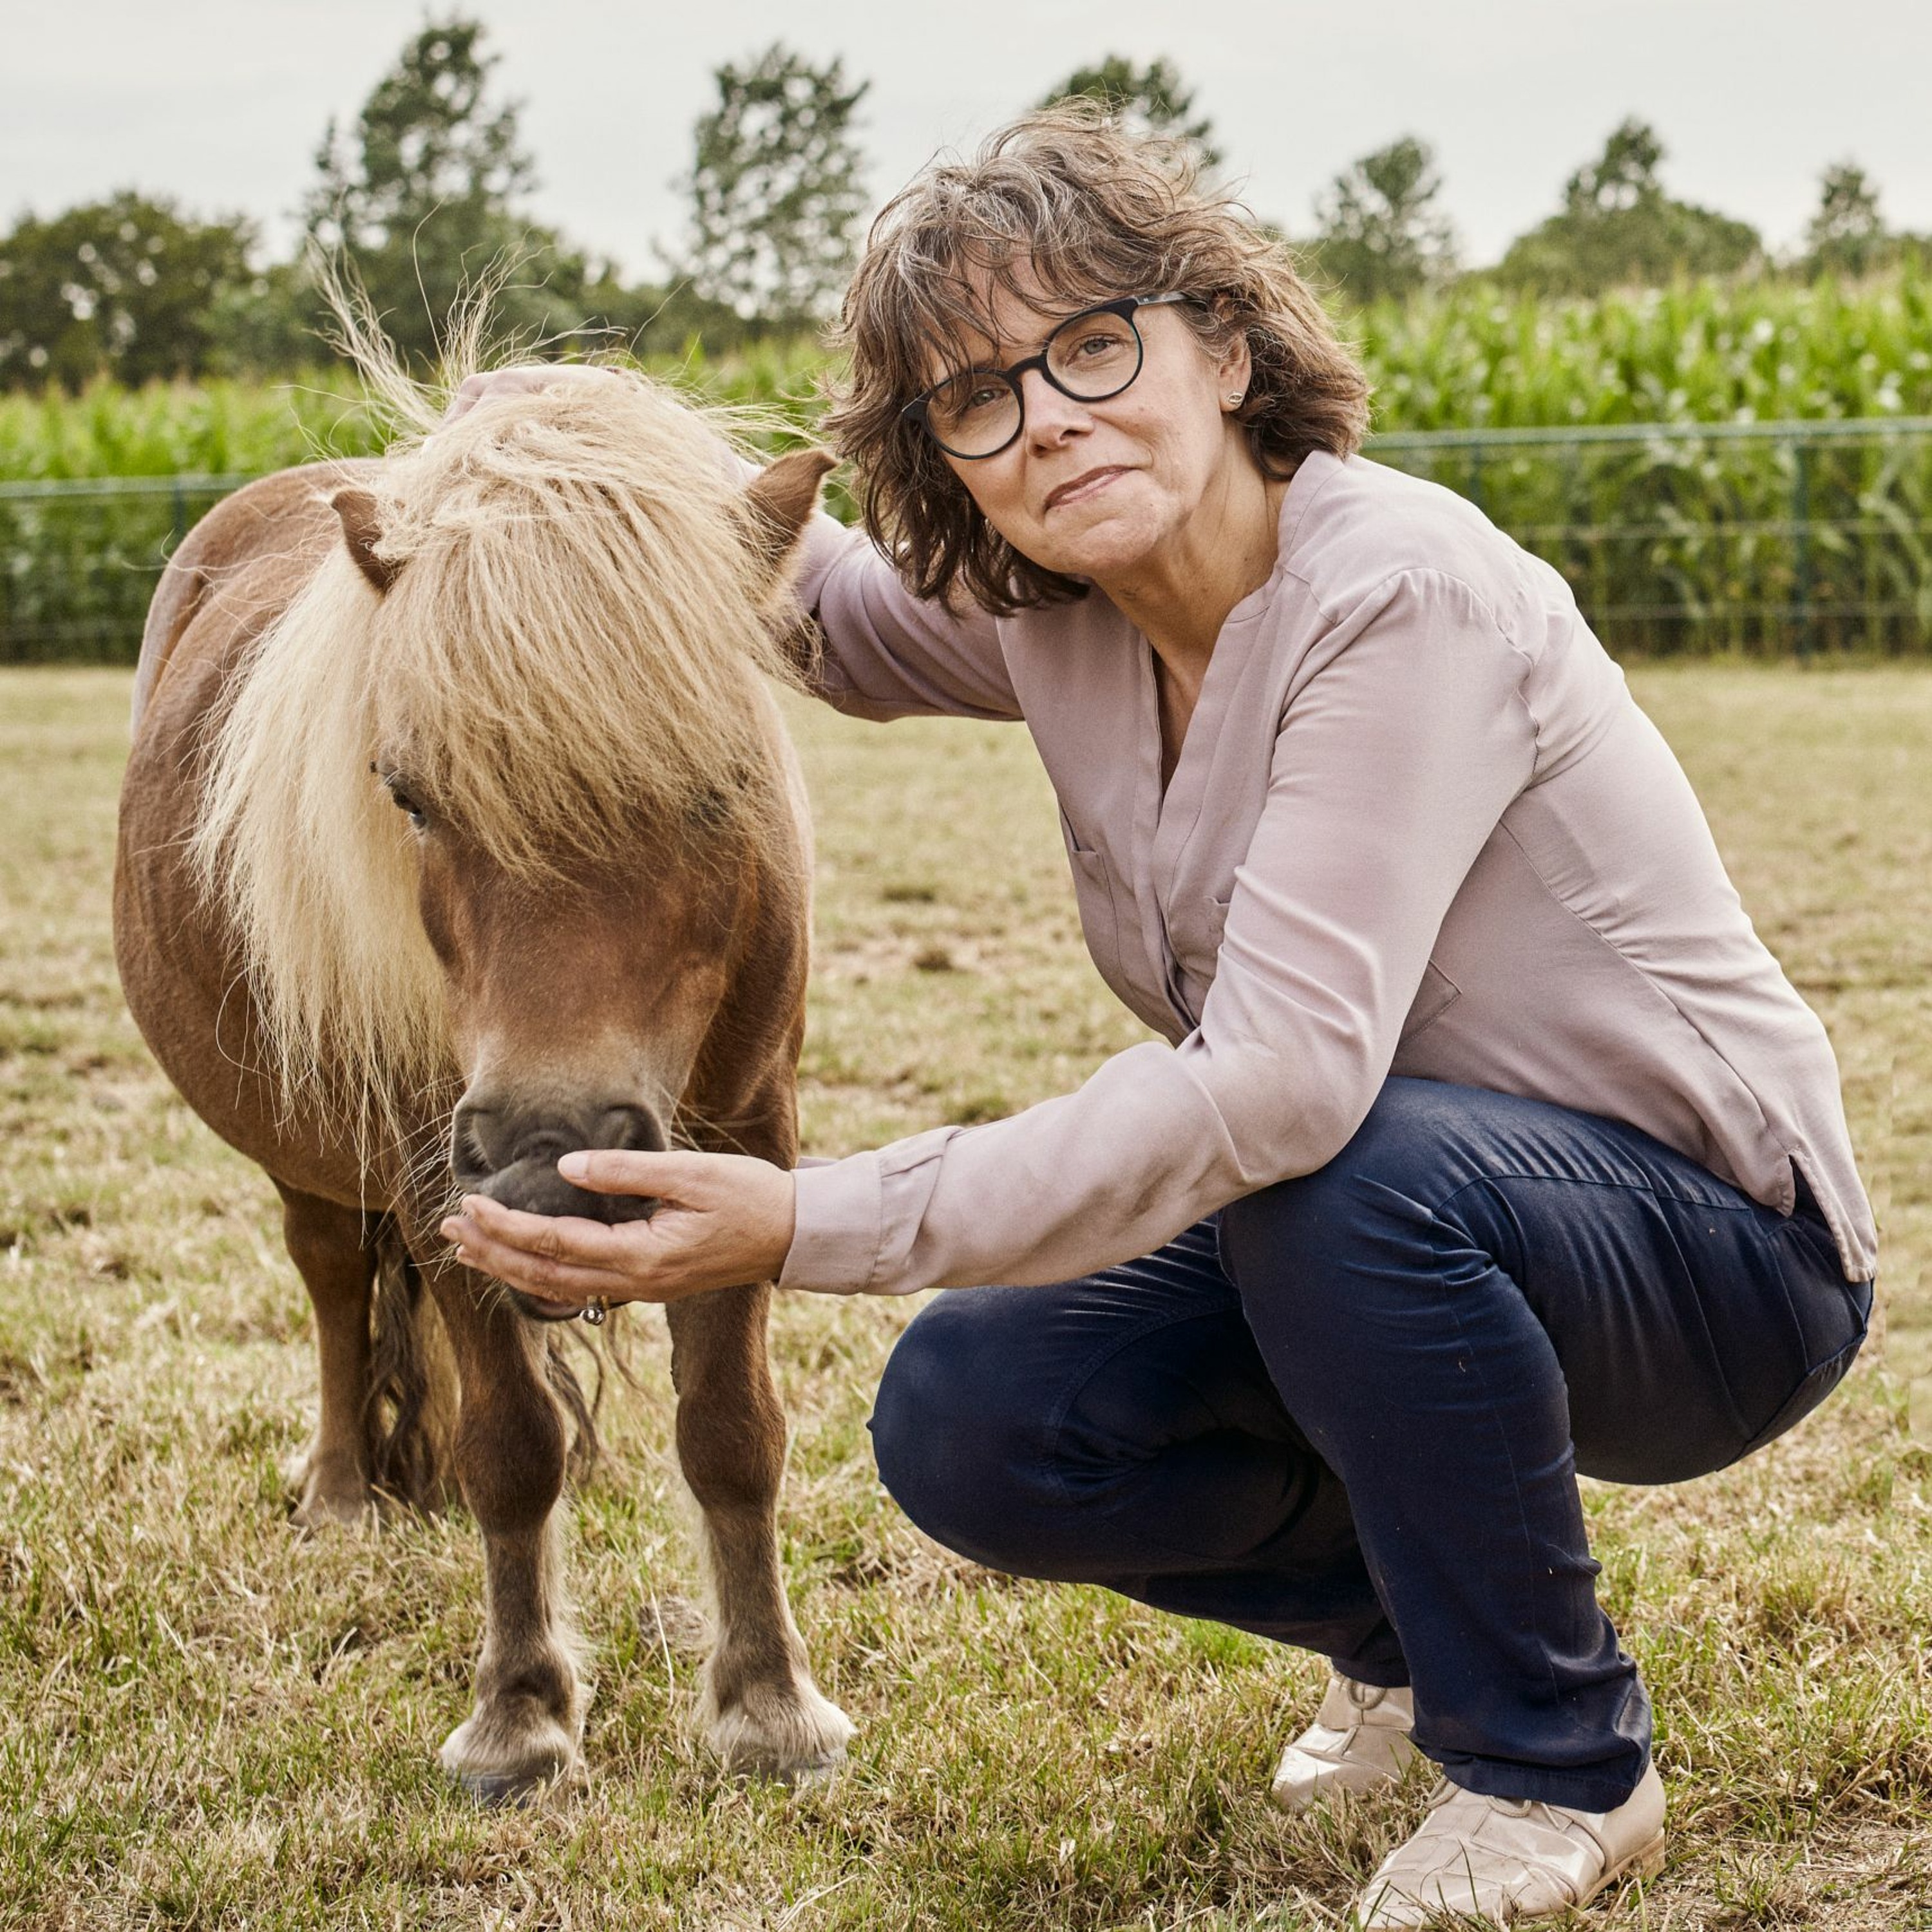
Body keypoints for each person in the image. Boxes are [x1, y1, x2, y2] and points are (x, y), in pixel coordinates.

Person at [440, 108, 1877, 1927]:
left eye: (1093, 346)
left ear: (1228, 348)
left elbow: (1277, 1087)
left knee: (1334, 1174)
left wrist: (800, 1219)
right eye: (976, 398)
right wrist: (540, 455)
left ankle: (1556, 1765)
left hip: (1717, 1264)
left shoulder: (1403, 597)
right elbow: (778, 595)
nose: (1044, 417)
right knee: (973, 1414)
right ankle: (1412, 1643)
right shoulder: (1059, 615)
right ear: (945, 462)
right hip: (1381, 1229)